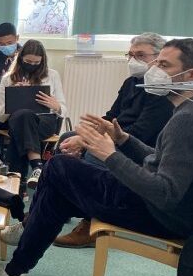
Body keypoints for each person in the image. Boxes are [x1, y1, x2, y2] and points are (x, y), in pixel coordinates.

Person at [0, 38, 193, 276]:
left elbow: (165, 193)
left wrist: (109, 155)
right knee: (58, 192)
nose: (154, 69)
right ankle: (14, 272)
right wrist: (123, 140)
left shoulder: (189, 119)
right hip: (176, 211)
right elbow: (162, 159)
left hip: (162, 214)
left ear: (192, 74)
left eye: (163, 64)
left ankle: (19, 252)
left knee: (60, 166)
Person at [54, 33, 175, 248]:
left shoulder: (161, 91)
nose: (133, 60)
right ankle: (63, 203)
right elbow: (111, 116)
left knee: (93, 152)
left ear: (158, 58)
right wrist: (85, 134)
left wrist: (89, 142)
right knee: (67, 137)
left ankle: (91, 220)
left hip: (139, 147)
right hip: (119, 137)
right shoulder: (131, 82)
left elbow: (141, 133)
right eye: (130, 54)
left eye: (140, 55)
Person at [0, 39, 67, 187]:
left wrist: (56, 106)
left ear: (43, 61)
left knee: (20, 129)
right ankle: (37, 167)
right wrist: (15, 98)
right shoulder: (8, 79)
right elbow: (0, 116)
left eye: (36, 63)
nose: (32, 66)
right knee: (23, 116)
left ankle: (15, 184)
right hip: (17, 120)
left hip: (44, 121)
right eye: (28, 61)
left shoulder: (52, 76)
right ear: (21, 58)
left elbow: (64, 110)